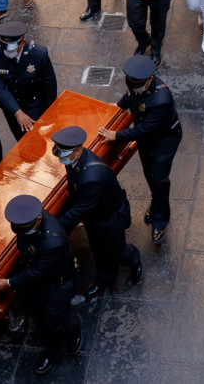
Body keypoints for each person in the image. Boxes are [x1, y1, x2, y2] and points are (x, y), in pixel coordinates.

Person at [98, 55, 182, 244]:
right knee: (150, 175)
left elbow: (145, 129)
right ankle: (156, 202)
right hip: (147, 141)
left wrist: (116, 136)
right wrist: (117, 107)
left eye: (137, 85)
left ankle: (160, 221)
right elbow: (130, 97)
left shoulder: (161, 99)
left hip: (163, 142)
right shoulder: (136, 84)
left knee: (159, 180)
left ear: (150, 80)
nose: (133, 87)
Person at [50, 126, 143, 295]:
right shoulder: (74, 161)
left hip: (110, 220)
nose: (61, 158)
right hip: (95, 217)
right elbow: (75, 191)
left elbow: (81, 208)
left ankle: (134, 258)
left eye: (64, 153)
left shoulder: (92, 176)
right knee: (98, 250)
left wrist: (56, 227)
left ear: (78, 150)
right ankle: (105, 279)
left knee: (117, 252)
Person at [0, 195, 82, 374]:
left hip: (56, 286)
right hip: (37, 283)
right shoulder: (30, 219)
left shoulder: (53, 241)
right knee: (40, 317)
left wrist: (9, 283)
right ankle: (54, 336)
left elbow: (38, 272)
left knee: (56, 324)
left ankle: (55, 349)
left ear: (39, 219)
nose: (18, 230)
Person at [0, 21, 57, 141]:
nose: (9, 52)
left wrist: (48, 114)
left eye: (12, 48)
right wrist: (17, 112)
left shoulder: (38, 54)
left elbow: (49, 85)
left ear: (22, 42)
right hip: (11, 104)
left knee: (38, 138)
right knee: (20, 137)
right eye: (5, 47)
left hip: (33, 102)